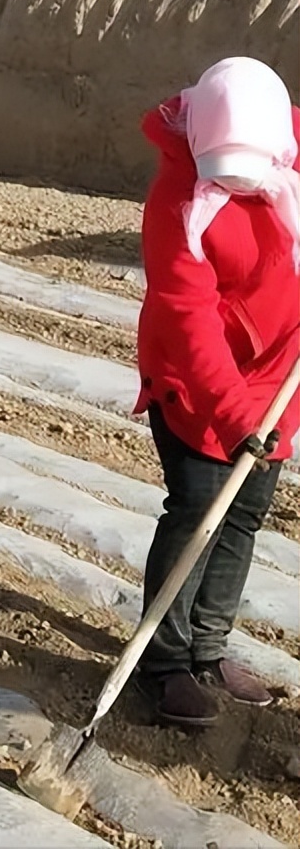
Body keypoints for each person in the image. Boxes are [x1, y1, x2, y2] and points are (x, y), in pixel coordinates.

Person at [135, 56, 300, 725]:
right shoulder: (176, 200)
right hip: (196, 377)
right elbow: (188, 320)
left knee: (246, 510)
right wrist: (234, 417)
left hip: (278, 375)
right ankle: (165, 663)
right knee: (199, 506)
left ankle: (208, 647)